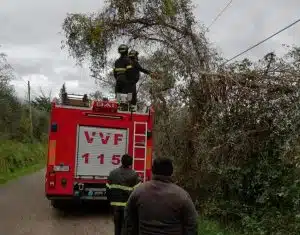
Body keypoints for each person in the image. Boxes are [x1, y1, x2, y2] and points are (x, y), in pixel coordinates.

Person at [122, 157, 198, 235]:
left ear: (153, 170)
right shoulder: (182, 196)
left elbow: (128, 218)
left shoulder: (138, 192)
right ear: (171, 172)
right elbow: (192, 223)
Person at [106, 154, 141, 235]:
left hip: (115, 206)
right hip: (127, 207)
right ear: (131, 163)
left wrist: (110, 202)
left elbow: (108, 190)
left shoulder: (112, 173)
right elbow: (137, 193)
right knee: (126, 228)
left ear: (121, 162)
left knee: (117, 227)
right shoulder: (134, 175)